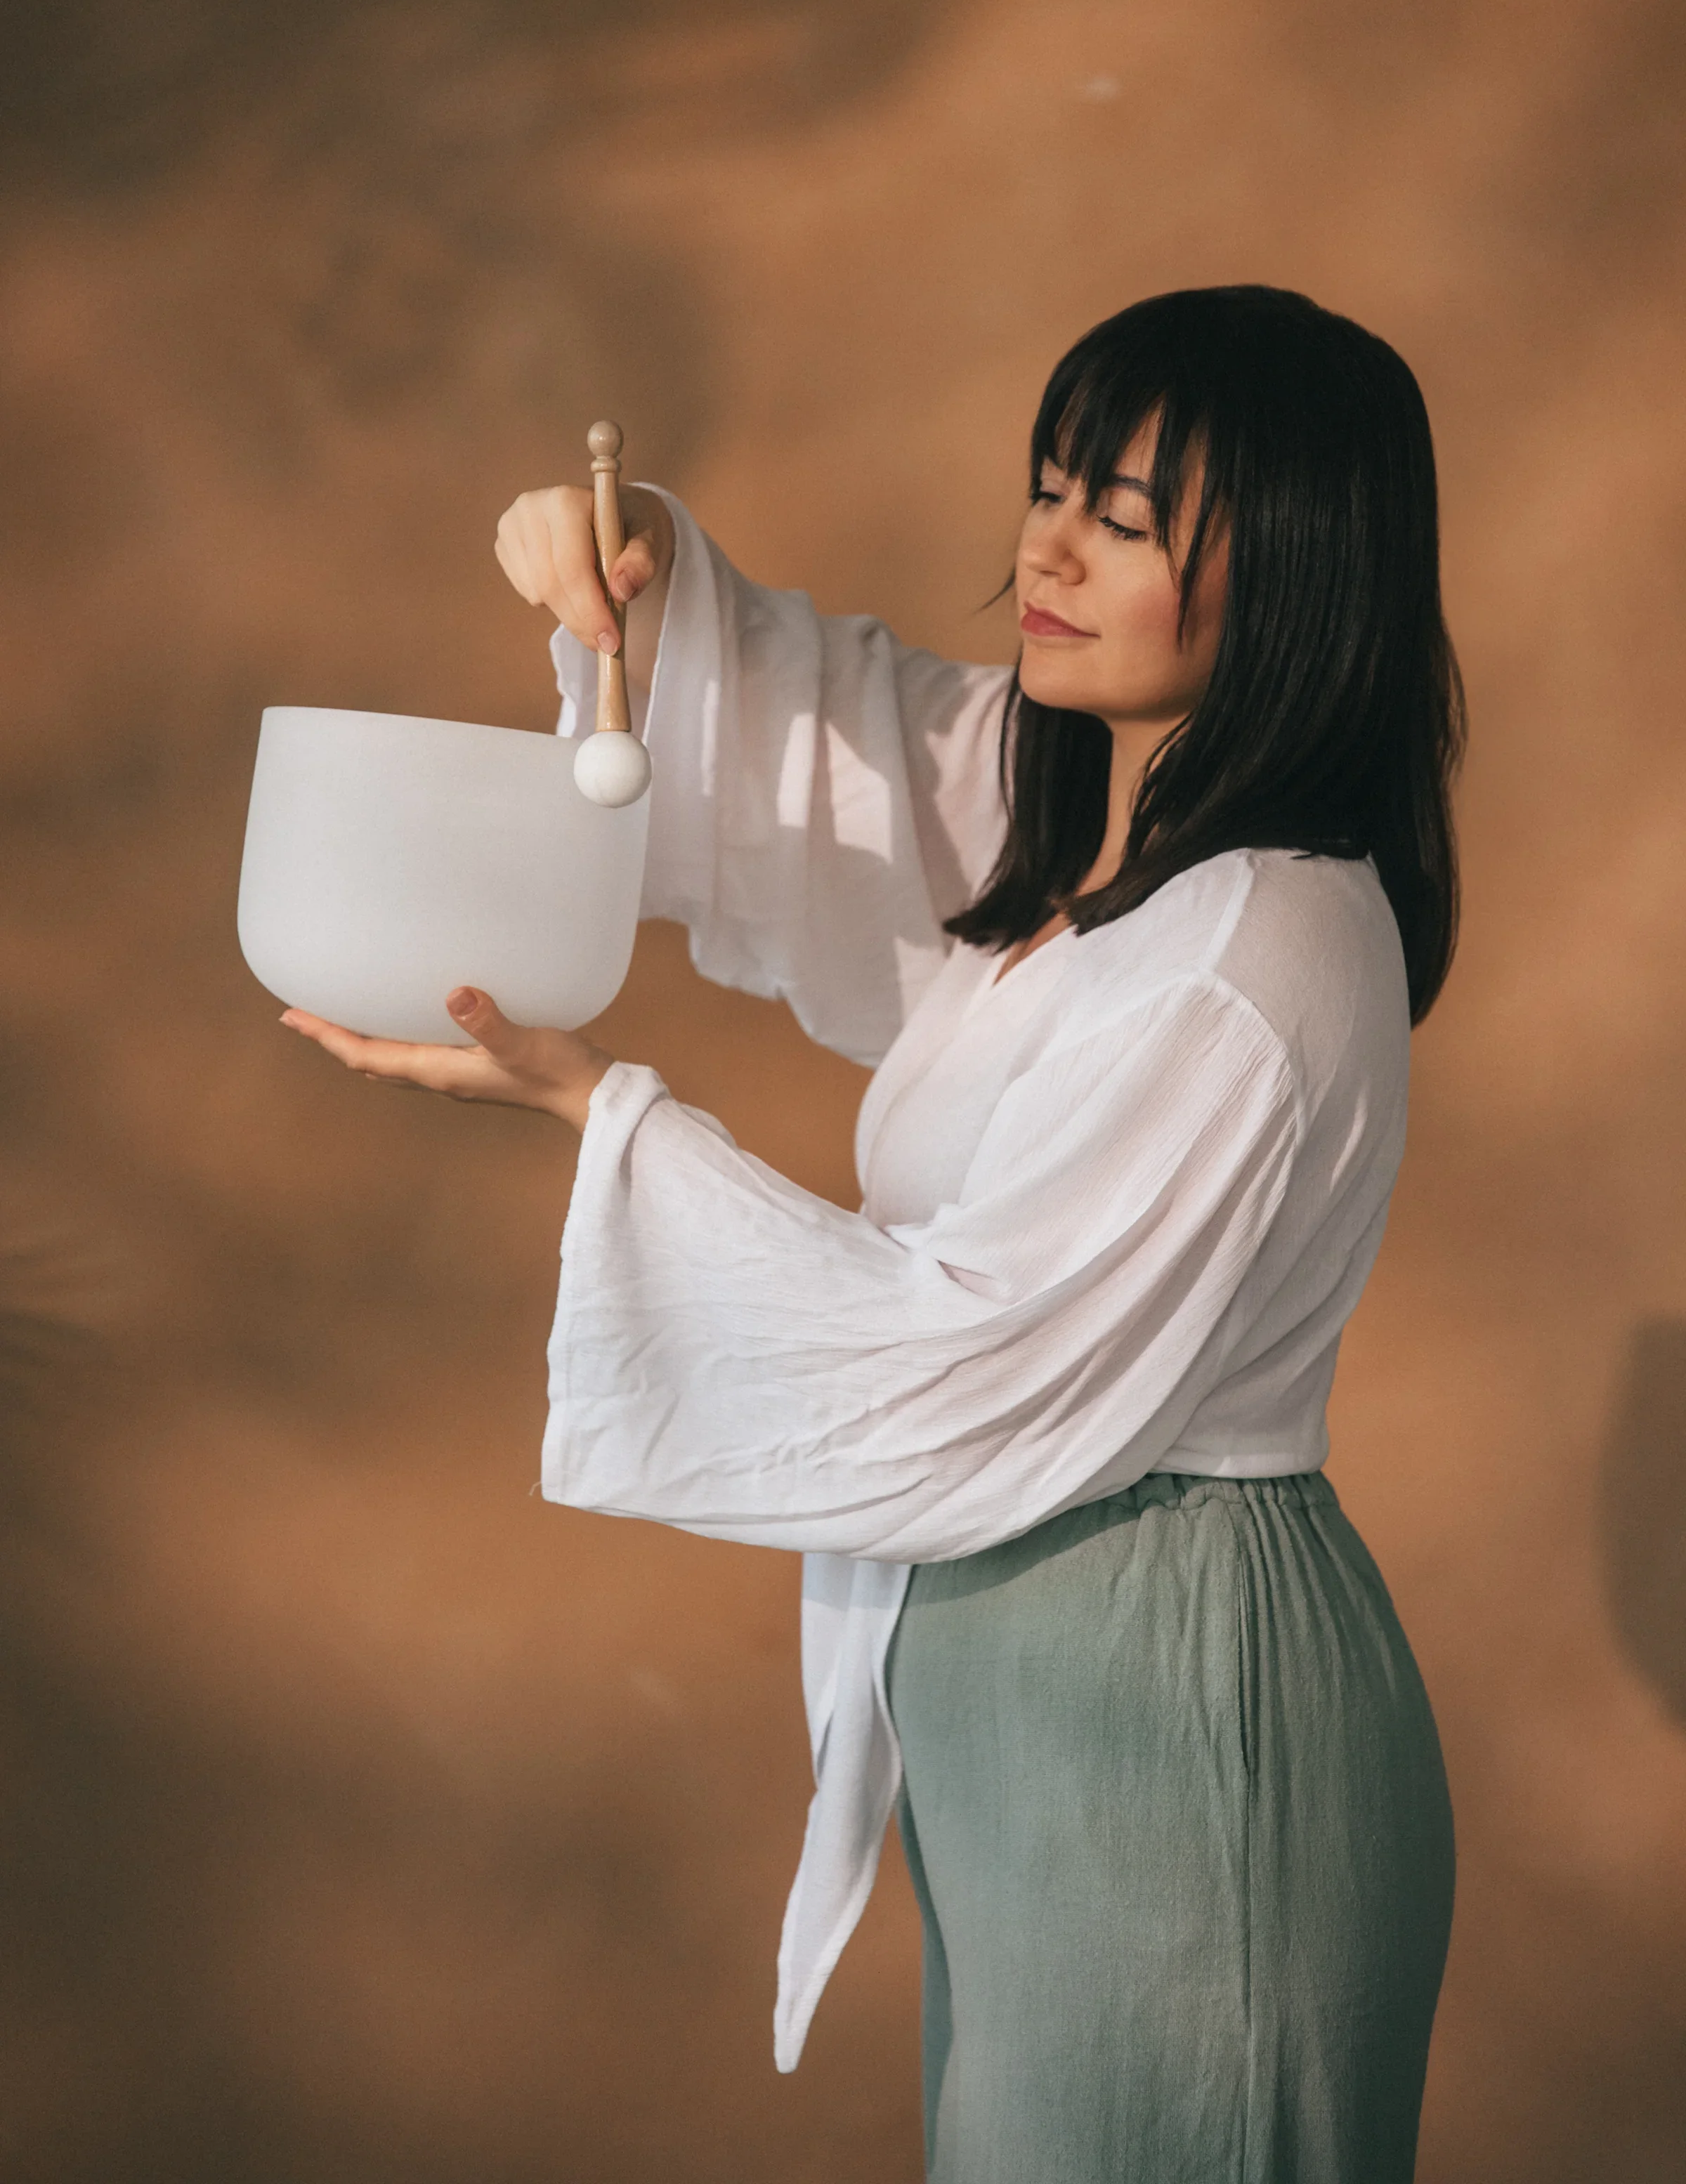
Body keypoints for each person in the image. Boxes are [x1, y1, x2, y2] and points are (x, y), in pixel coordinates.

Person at [284, 285, 1463, 2183]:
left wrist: (604, 1114)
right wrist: (633, 576)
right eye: (1053, 485)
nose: (1049, 548)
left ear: (1307, 570)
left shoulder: (1262, 942)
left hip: (1174, 1711)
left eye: (1130, 518)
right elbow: (854, 742)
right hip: (1056, 1680)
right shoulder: (1105, 842)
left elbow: (970, 1347)